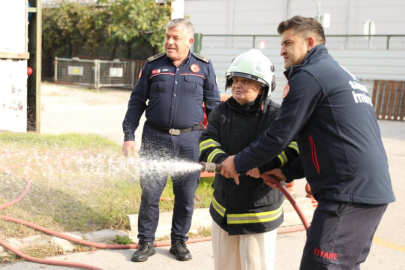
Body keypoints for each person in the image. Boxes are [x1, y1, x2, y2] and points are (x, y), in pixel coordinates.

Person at [220, 15, 395, 269]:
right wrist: (287, 171)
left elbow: (280, 135)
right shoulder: (340, 74)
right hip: (366, 193)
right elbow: (328, 139)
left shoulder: (309, 76)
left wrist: (238, 162)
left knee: (320, 265)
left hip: (346, 195)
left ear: (309, 42)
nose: (281, 50)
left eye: (288, 43)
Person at [122, 18, 221, 262]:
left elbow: (215, 106)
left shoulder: (204, 67)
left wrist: (215, 142)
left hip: (190, 141)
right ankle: (145, 242)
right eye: (167, 37)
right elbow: (137, 102)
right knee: (150, 194)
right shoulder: (153, 65)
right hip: (155, 138)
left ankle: (179, 241)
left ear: (189, 40)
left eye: (175, 37)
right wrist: (128, 136)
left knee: (186, 196)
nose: (169, 42)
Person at [199, 49, 299, 270]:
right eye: (235, 80)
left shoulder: (277, 116)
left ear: (262, 87)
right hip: (224, 207)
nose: (238, 85)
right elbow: (206, 142)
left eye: (246, 81)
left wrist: (264, 164)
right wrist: (224, 161)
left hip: (259, 212)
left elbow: (292, 148)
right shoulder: (221, 112)